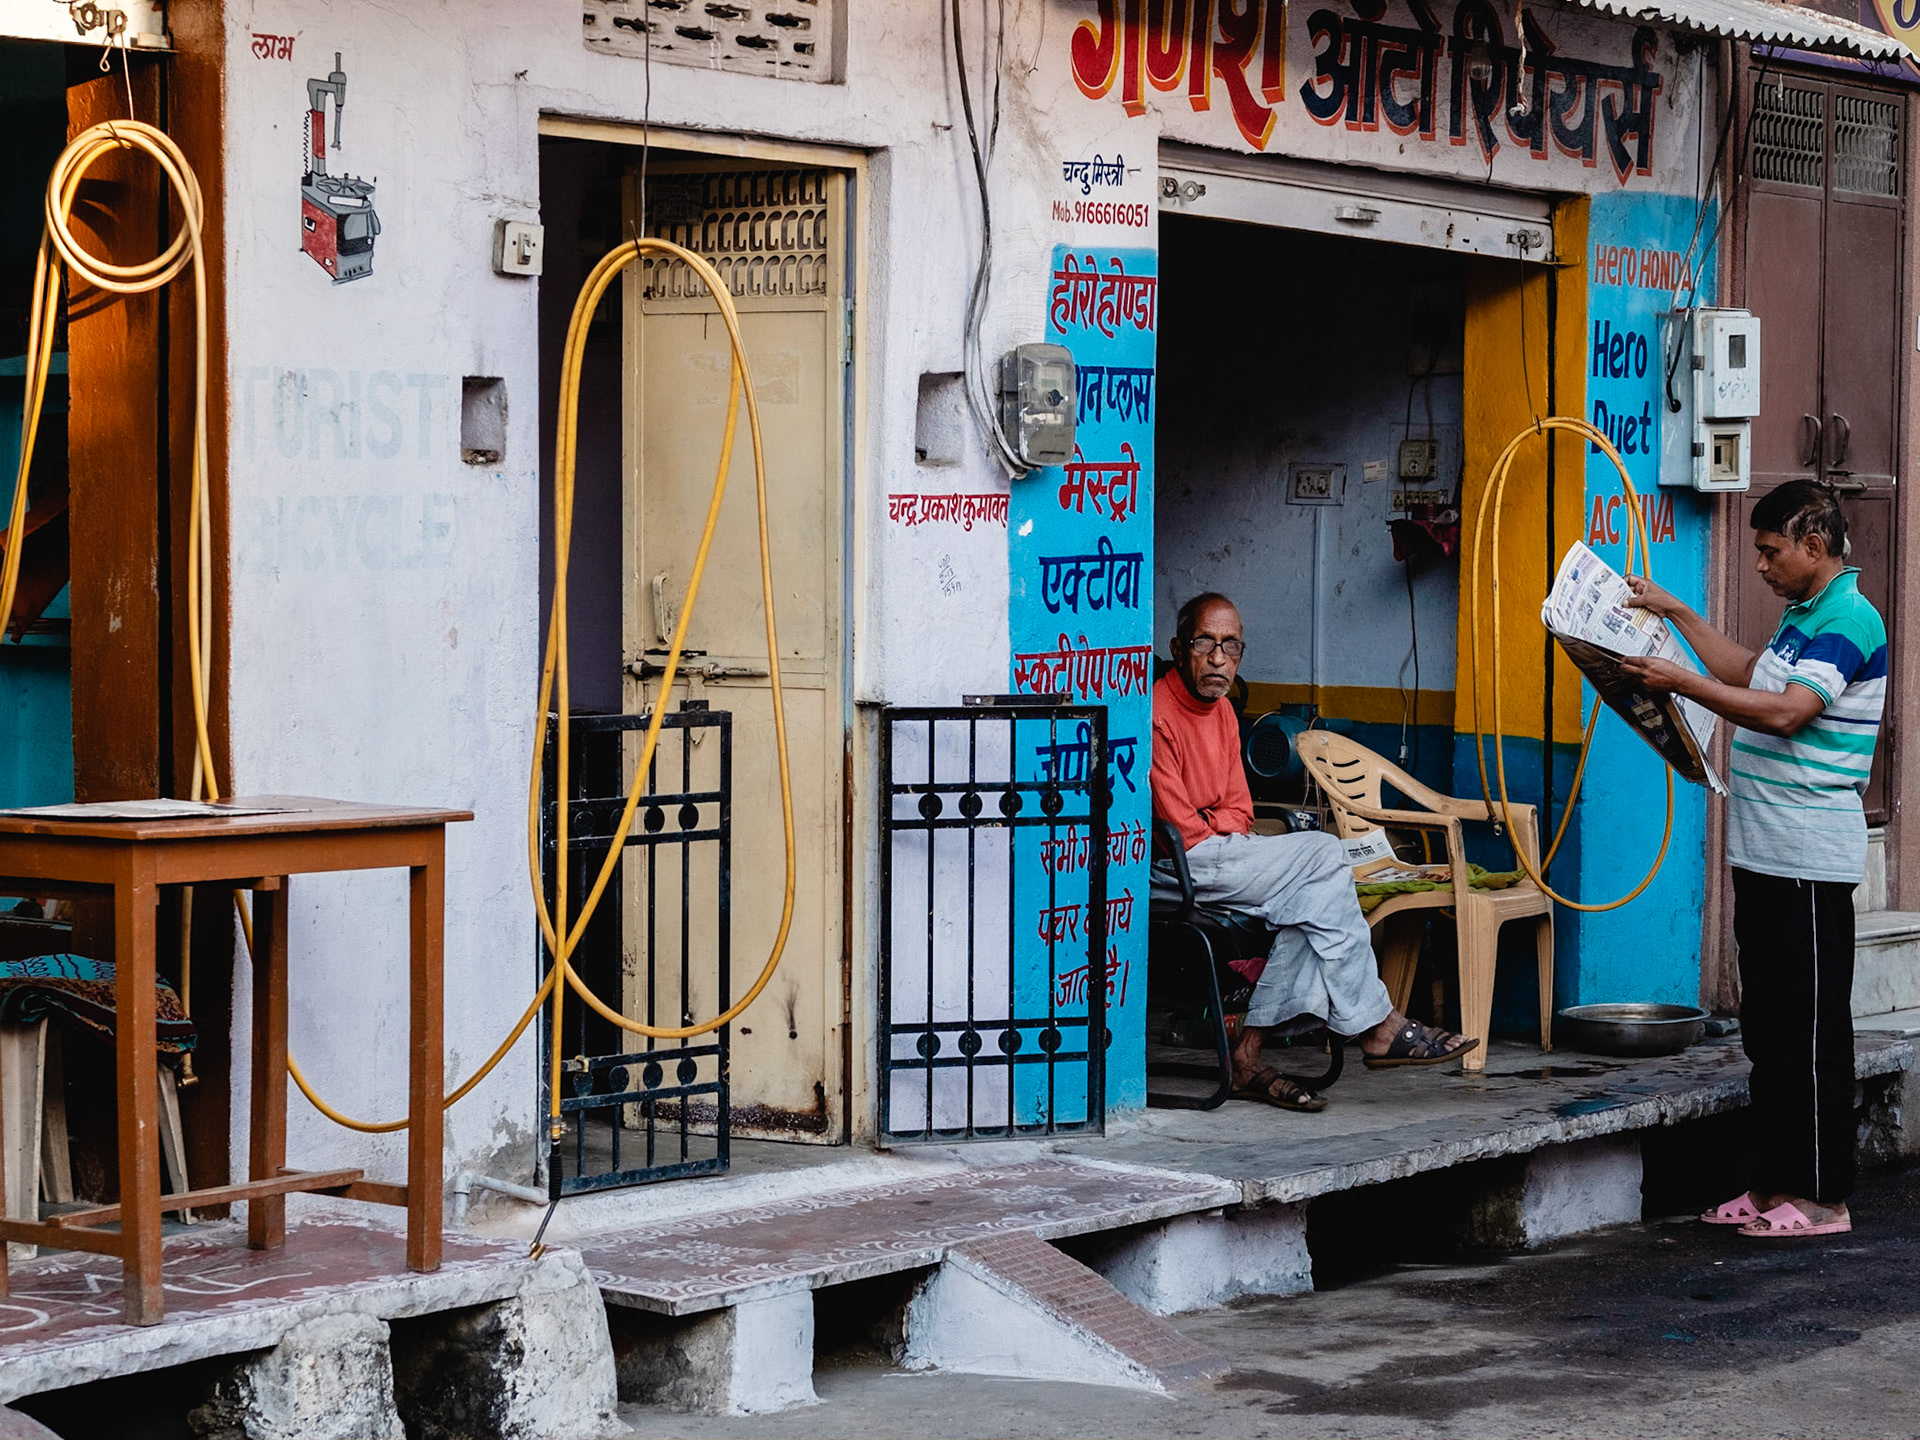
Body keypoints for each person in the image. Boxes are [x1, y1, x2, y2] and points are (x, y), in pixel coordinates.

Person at [1620, 480, 1885, 1239]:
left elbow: (1787, 711)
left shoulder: (1848, 620)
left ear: (1814, 544)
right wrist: (1678, 616)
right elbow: (1748, 675)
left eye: (1772, 552)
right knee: (1769, 1032)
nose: (1762, 565)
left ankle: (1822, 1198)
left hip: (1807, 858)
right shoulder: (1802, 621)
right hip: (1766, 852)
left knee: (1809, 1035)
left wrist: (1678, 682)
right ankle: (1772, 1187)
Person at [1149, 592, 1477, 1111]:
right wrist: (1220, 825)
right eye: (1204, 643)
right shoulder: (1155, 713)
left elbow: (1238, 809)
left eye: (1230, 647)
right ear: (1177, 646)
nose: (1218, 659)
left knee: (1312, 902)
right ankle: (1377, 1023)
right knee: (1325, 857)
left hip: (1227, 851)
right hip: (1173, 866)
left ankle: (1248, 1057)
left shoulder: (1226, 715)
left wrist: (1222, 825)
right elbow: (1181, 829)